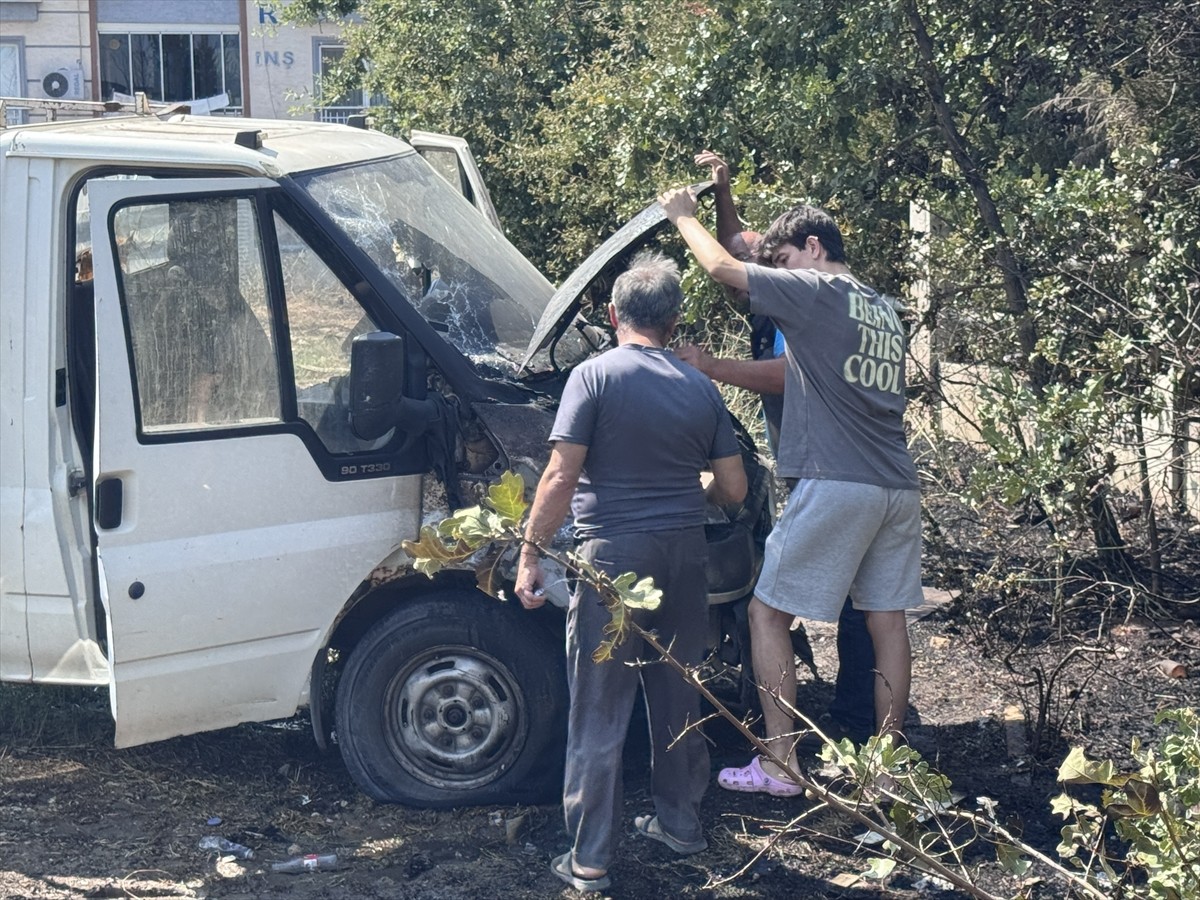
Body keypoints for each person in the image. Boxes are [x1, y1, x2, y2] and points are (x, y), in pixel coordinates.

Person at [658, 185, 923, 797]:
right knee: (887, 621)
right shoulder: (880, 307)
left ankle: (779, 765)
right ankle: (883, 772)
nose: (774, 277)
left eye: (780, 262)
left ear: (812, 246)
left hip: (836, 480)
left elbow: (725, 266)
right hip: (896, 485)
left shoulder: (819, 290)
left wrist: (683, 217)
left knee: (765, 611)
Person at [514, 251, 747, 892]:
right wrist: (684, 491)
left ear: (613, 314)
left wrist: (530, 554)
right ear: (674, 321)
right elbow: (732, 486)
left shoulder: (593, 377)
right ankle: (681, 825)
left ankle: (589, 858)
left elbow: (561, 475)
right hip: (684, 556)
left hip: (613, 559)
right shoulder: (700, 387)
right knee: (676, 694)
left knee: (598, 706)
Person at [676, 151, 878, 749]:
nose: (764, 269)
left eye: (777, 261)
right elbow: (738, 244)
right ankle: (868, 726)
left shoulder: (806, 299)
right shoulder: (835, 294)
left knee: (790, 604)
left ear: (807, 251)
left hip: (826, 460)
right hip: (848, 464)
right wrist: (722, 191)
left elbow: (790, 375)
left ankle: (817, 732)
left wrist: (710, 366)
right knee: (872, 601)